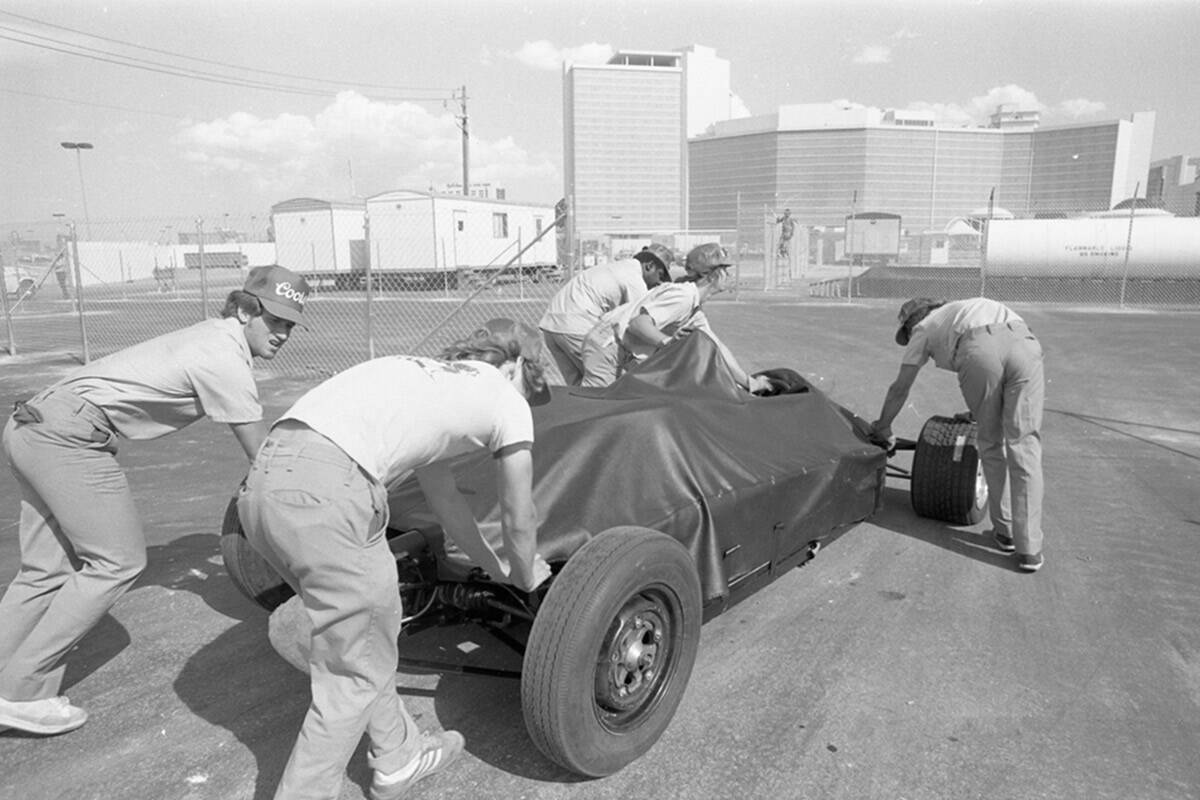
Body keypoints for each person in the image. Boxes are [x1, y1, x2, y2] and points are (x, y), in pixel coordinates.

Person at [236, 318, 553, 800]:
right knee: (353, 673)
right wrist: (526, 573)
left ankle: (398, 757)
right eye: (531, 388)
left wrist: (490, 565)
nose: (527, 400)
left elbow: (447, 504)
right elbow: (519, 511)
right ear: (516, 366)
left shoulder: (426, 378)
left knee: (363, 643)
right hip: (331, 491)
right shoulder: (506, 396)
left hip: (260, 491)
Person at [0, 265, 311, 735]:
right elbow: (263, 459)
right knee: (117, 562)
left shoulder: (211, 335)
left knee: (45, 570)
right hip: (69, 435)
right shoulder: (223, 356)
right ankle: (24, 692)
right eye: (275, 320)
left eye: (291, 323)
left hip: (33, 424)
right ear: (246, 310)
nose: (284, 333)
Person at [869, 297, 1045, 572]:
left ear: (913, 319)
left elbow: (901, 387)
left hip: (979, 351)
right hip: (1024, 341)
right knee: (1025, 447)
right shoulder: (966, 307)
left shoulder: (924, 327)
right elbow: (1004, 344)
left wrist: (883, 426)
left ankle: (1006, 532)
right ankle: (1030, 550)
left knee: (990, 443)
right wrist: (976, 411)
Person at [579, 242, 770, 393]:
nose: (728, 275)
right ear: (710, 274)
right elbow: (638, 324)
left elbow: (715, 346)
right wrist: (668, 342)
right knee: (595, 409)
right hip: (607, 345)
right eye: (724, 270)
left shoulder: (695, 307)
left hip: (618, 349)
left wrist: (749, 383)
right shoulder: (684, 297)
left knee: (614, 408)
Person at [538, 243, 673, 385]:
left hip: (552, 326)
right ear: (649, 266)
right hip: (577, 326)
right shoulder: (634, 280)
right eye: (660, 275)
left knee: (577, 387)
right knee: (605, 385)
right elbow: (639, 324)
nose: (659, 282)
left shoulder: (617, 267)